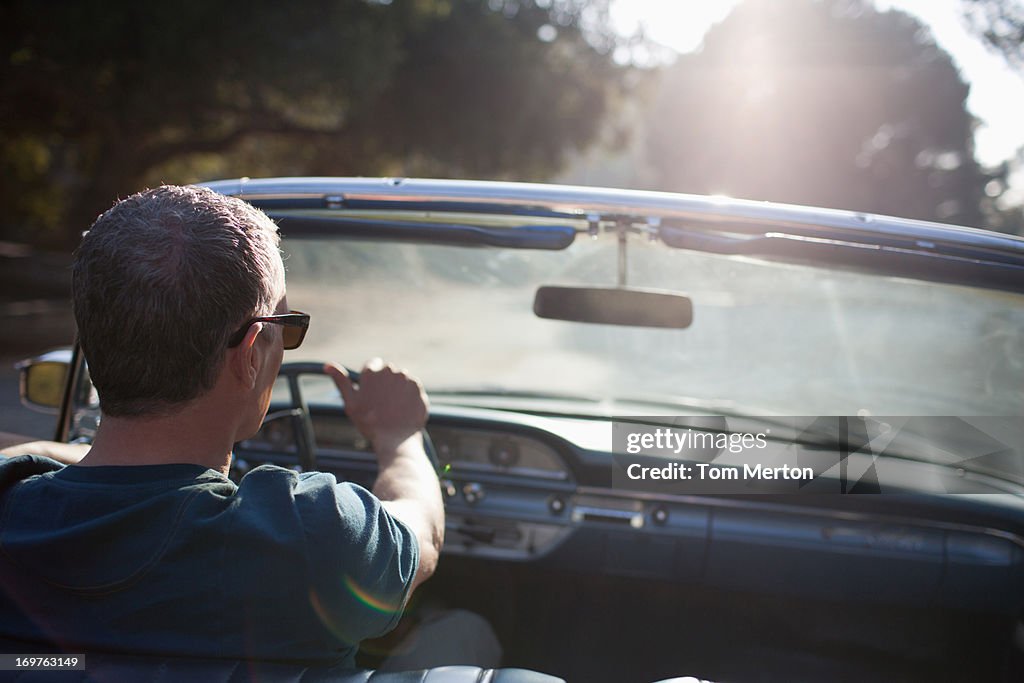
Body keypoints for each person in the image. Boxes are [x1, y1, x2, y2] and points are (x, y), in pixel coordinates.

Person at [0, 185, 448, 668]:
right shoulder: (310, 534)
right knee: (465, 630)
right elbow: (423, 533)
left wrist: (67, 454)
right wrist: (399, 437)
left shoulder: (11, 506)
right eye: (287, 325)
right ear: (252, 353)